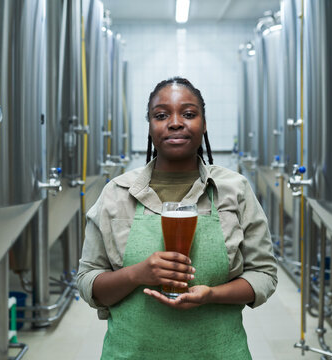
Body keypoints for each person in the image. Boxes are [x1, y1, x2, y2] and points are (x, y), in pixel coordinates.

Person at [77, 77, 277, 359]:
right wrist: (137, 274)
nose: (175, 122)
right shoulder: (116, 193)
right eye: (161, 115)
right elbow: (88, 281)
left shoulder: (234, 189)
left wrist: (212, 295)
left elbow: (264, 274)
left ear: (204, 124)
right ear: (150, 126)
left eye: (189, 114)